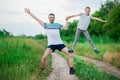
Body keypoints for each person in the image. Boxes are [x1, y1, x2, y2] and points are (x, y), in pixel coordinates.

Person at [24, 8, 75, 74]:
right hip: (51, 45)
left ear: (54, 18)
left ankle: (71, 69)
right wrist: (30, 13)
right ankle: (42, 70)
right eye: (50, 17)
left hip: (60, 44)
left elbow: (66, 28)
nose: (51, 18)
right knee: (44, 57)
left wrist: (67, 20)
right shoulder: (46, 25)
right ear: (48, 18)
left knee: (70, 54)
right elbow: (37, 19)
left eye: (52, 17)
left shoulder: (57, 25)